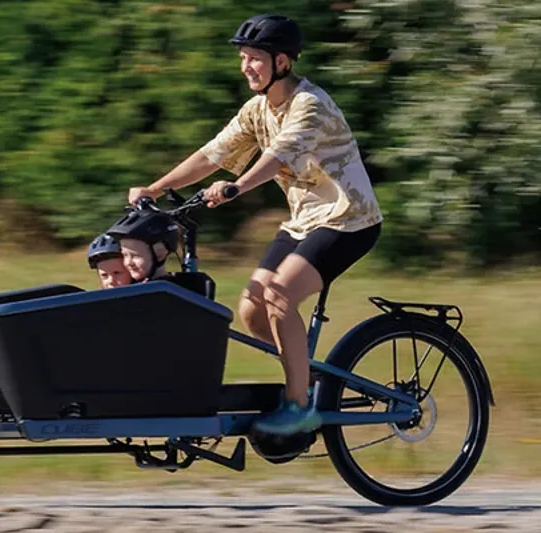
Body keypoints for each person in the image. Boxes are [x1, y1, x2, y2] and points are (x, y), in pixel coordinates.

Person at [126, 14, 383, 437]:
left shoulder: (310, 104)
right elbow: (212, 155)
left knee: (280, 295)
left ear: (282, 62)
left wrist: (237, 187)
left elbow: (278, 156)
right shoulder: (258, 109)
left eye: (255, 59)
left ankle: (299, 406)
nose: (246, 66)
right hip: (304, 221)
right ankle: (306, 380)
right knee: (251, 308)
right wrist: (155, 188)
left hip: (349, 219)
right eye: (243, 58)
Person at [105, 209, 180, 283]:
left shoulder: (167, 289)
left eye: (135, 256)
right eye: (125, 255)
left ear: (160, 253)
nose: (128, 262)